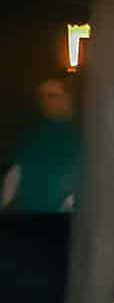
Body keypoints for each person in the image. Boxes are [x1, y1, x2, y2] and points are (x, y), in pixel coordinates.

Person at [2, 78, 81, 215]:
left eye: (52, 96)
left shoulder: (83, 133)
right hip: (25, 217)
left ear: (68, 97)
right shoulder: (32, 133)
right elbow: (15, 174)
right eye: (42, 96)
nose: (45, 101)